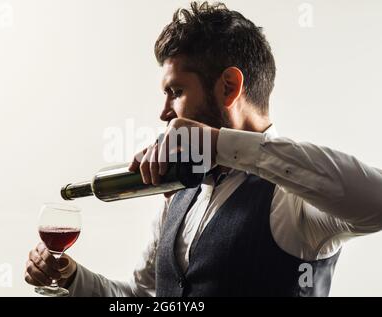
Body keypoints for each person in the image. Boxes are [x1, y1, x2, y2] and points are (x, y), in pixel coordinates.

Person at [24, 1, 382, 296]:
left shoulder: (295, 195)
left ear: (228, 87)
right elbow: (144, 296)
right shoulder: (180, 192)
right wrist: (72, 278)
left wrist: (215, 142)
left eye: (176, 92)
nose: (164, 113)